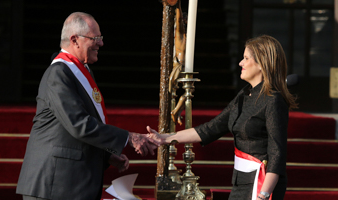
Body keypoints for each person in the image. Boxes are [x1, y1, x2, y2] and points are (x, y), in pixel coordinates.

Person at [16, 12, 158, 200]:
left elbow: (70, 131)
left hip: (68, 185)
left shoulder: (78, 71)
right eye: (96, 38)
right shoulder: (58, 74)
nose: (101, 43)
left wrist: (106, 155)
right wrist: (129, 138)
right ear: (74, 40)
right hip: (54, 185)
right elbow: (79, 124)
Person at [147, 35, 297, 200]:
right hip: (242, 181)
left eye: (246, 58)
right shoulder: (244, 95)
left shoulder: (273, 100)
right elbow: (211, 128)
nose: (241, 63)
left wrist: (264, 194)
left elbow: (277, 153)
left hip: (262, 184)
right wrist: (165, 138)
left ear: (262, 63)